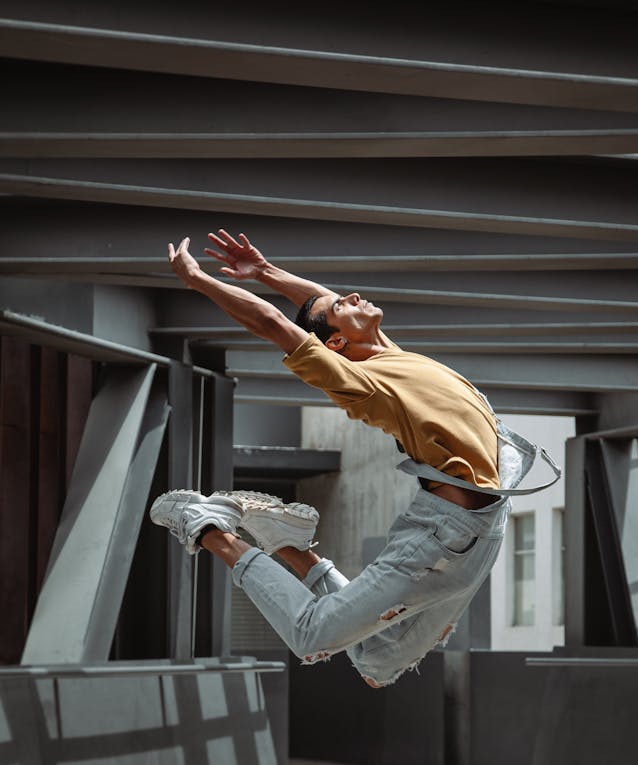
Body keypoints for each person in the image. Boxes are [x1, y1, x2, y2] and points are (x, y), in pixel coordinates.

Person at [151, 229, 559, 688]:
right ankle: (206, 525)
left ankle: (289, 546)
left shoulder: (393, 355)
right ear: (338, 345)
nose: (350, 297)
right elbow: (273, 324)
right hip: (447, 537)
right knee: (312, 635)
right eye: (342, 307)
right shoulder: (362, 382)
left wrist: (265, 271)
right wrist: (198, 280)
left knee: (378, 665)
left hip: (483, 527)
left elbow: (320, 303)